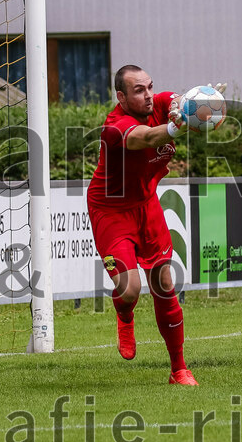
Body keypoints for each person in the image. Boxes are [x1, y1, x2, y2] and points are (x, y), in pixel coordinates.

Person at [87, 65, 214, 386]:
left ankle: (179, 370)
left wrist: (199, 103)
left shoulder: (157, 104)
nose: (147, 95)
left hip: (146, 205)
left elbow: (176, 100)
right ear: (122, 97)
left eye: (149, 87)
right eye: (138, 90)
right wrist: (177, 129)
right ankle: (125, 314)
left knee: (164, 283)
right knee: (130, 290)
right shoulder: (115, 127)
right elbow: (146, 138)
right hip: (111, 210)